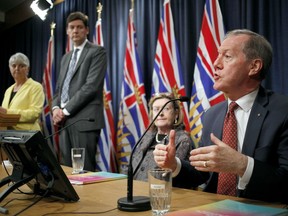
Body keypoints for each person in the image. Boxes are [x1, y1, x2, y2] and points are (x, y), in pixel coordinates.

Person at [153, 29, 288, 203]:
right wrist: (174, 165)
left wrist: (242, 165)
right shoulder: (211, 115)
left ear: (254, 67)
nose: (215, 63)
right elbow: (203, 173)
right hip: (212, 208)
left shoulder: (282, 111)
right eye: (217, 56)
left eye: (227, 56)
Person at [52, 12, 106, 172]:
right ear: (68, 31)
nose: (75, 31)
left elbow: (91, 86)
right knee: (67, 169)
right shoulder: (65, 58)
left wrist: (65, 110)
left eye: (79, 27)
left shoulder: (97, 52)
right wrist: (55, 109)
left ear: (87, 30)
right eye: (71, 27)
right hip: (64, 123)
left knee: (83, 170)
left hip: (84, 121)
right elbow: (59, 90)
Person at [132, 92, 199, 189]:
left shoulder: (183, 139)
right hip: (136, 191)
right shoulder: (146, 137)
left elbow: (175, 178)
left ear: (176, 114)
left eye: (166, 108)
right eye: (156, 109)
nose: (160, 113)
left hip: (162, 194)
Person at [0, 52, 44, 130]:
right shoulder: (8, 90)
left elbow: (34, 113)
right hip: (7, 136)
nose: (17, 69)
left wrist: (7, 112)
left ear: (28, 69)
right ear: (10, 68)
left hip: (28, 136)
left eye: (21, 66)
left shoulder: (36, 87)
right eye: (14, 66)